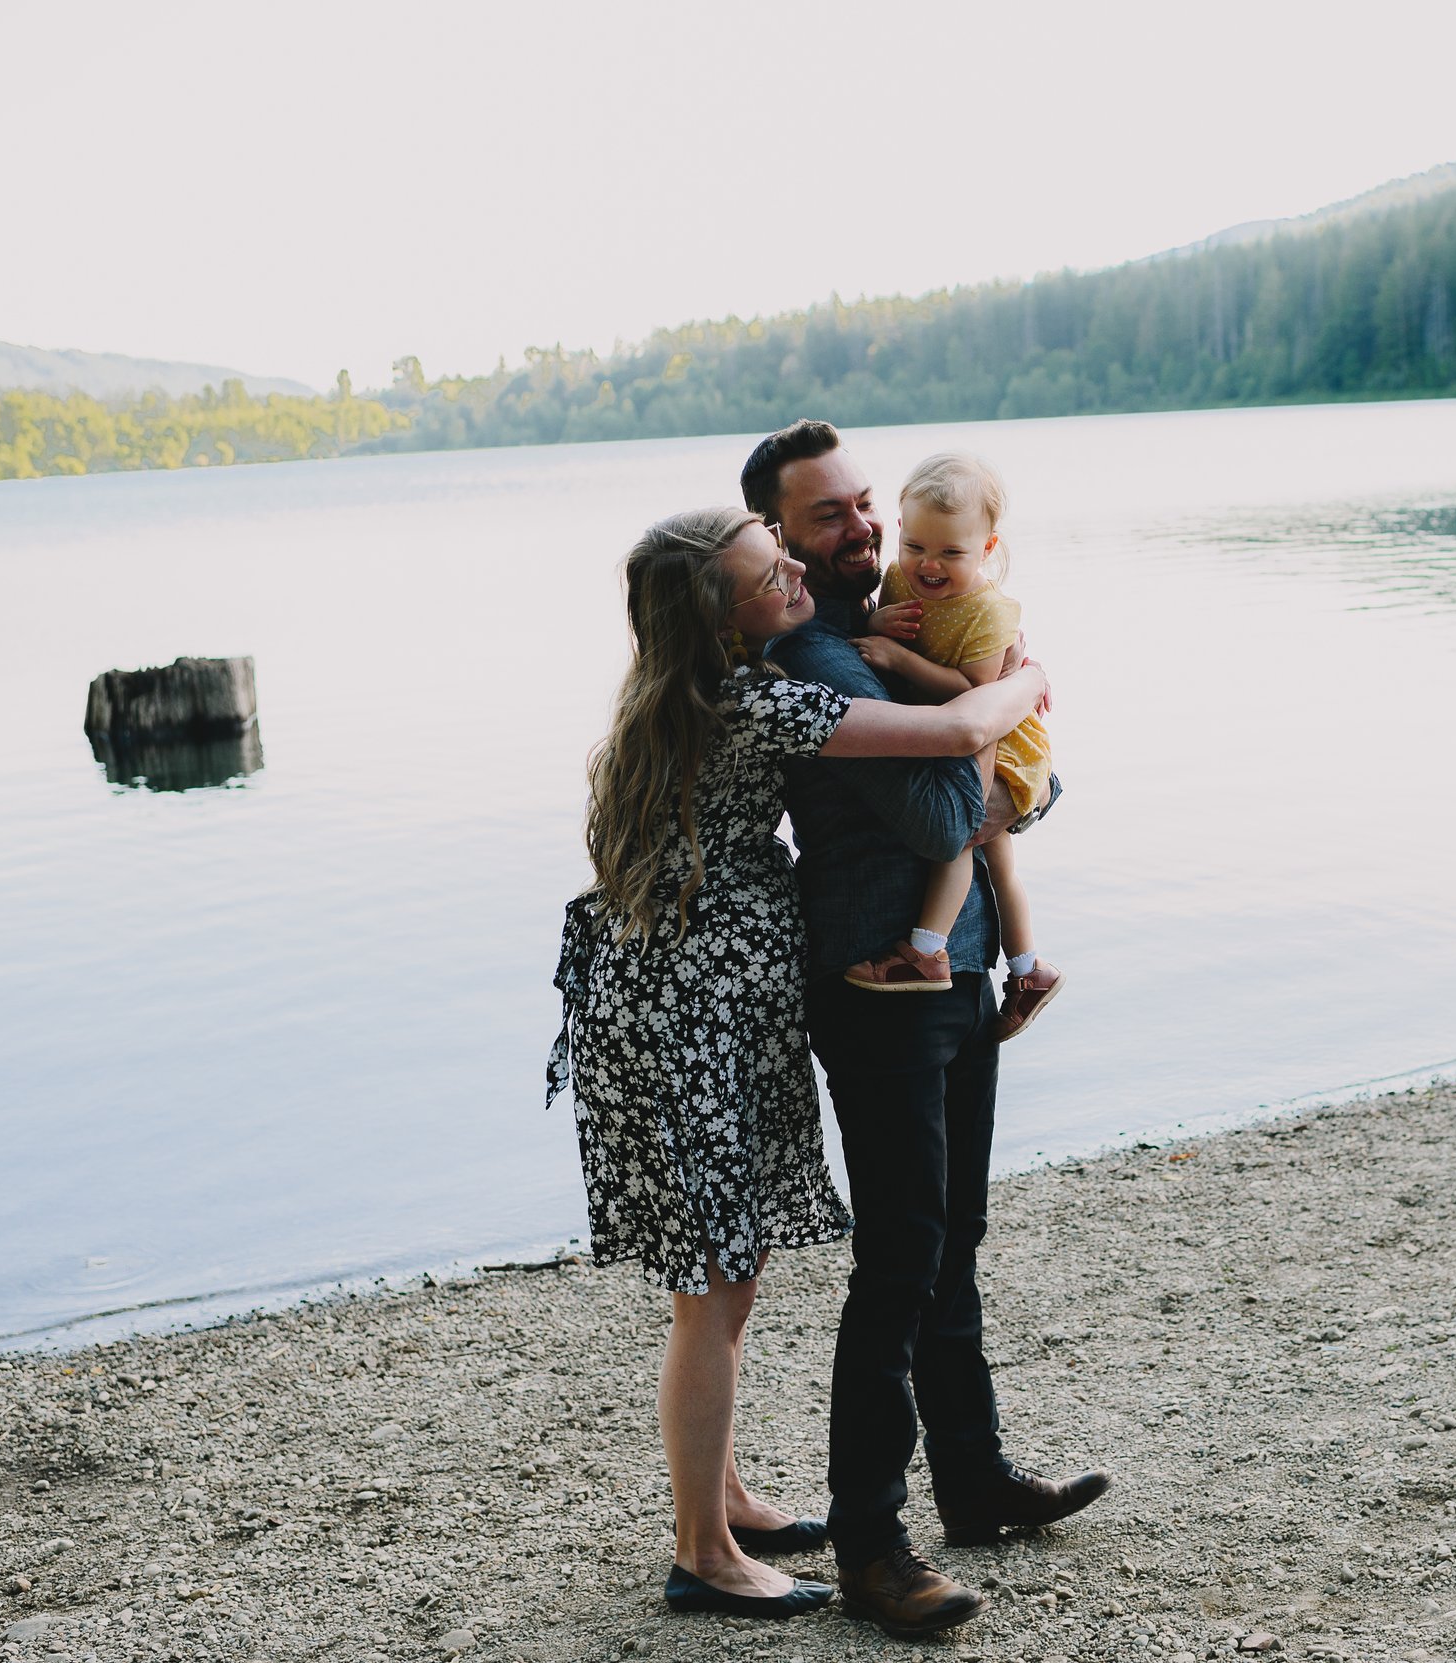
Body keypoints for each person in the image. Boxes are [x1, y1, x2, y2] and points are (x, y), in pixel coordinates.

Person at [545, 507, 1049, 1623]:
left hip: (675, 993)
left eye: (782, 557)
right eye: (768, 574)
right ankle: (702, 1551)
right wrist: (1027, 678)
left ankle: (725, 1502)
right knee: (713, 1284)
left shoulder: (677, 696)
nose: (792, 577)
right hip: (696, 1007)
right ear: (721, 622)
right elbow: (955, 734)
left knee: (725, 1275)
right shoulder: (756, 700)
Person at [743, 421, 1110, 1639]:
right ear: (777, 538)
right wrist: (1006, 700)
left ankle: (975, 1478)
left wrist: (1005, 734)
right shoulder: (810, 659)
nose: (857, 530)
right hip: (873, 986)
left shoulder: (906, 625)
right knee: (899, 1255)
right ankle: (870, 1542)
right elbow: (950, 801)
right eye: (826, 517)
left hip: (950, 971)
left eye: (862, 506)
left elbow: (1026, 788)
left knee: (955, 1235)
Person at [839, 450, 1065, 1039]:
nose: (927, 565)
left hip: (1000, 745)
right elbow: (877, 625)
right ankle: (1027, 970)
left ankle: (927, 949)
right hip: (955, 738)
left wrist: (899, 656)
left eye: (950, 553)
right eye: (914, 546)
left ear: (987, 548)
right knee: (999, 859)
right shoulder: (896, 579)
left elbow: (973, 693)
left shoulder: (988, 613)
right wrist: (873, 628)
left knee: (962, 837)